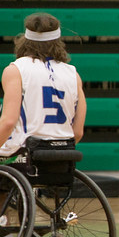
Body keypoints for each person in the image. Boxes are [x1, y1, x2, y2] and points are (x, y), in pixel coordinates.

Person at [1, 13, 86, 160]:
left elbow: (8, 122)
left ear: (24, 40)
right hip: (63, 156)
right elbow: (78, 132)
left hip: (24, 154)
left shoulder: (16, 70)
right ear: (58, 42)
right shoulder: (73, 74)